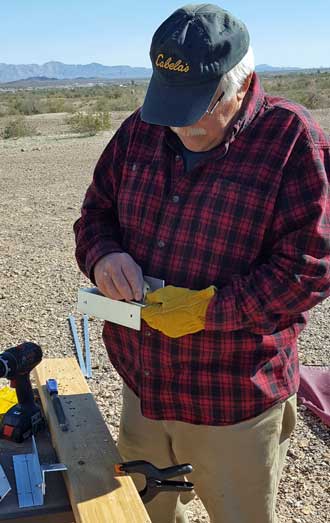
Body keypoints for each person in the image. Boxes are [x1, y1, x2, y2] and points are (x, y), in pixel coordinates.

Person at [74, 4, 330, 523]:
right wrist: (104, 257)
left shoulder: (292, 142)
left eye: (197, 107)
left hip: (232, 402)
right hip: (142, 385)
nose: (181, 126)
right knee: (143, 513)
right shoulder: (142, 129)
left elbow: (310, 266)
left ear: (243, 84)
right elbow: (95, 214)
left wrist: (209, 311)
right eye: (170, 106)